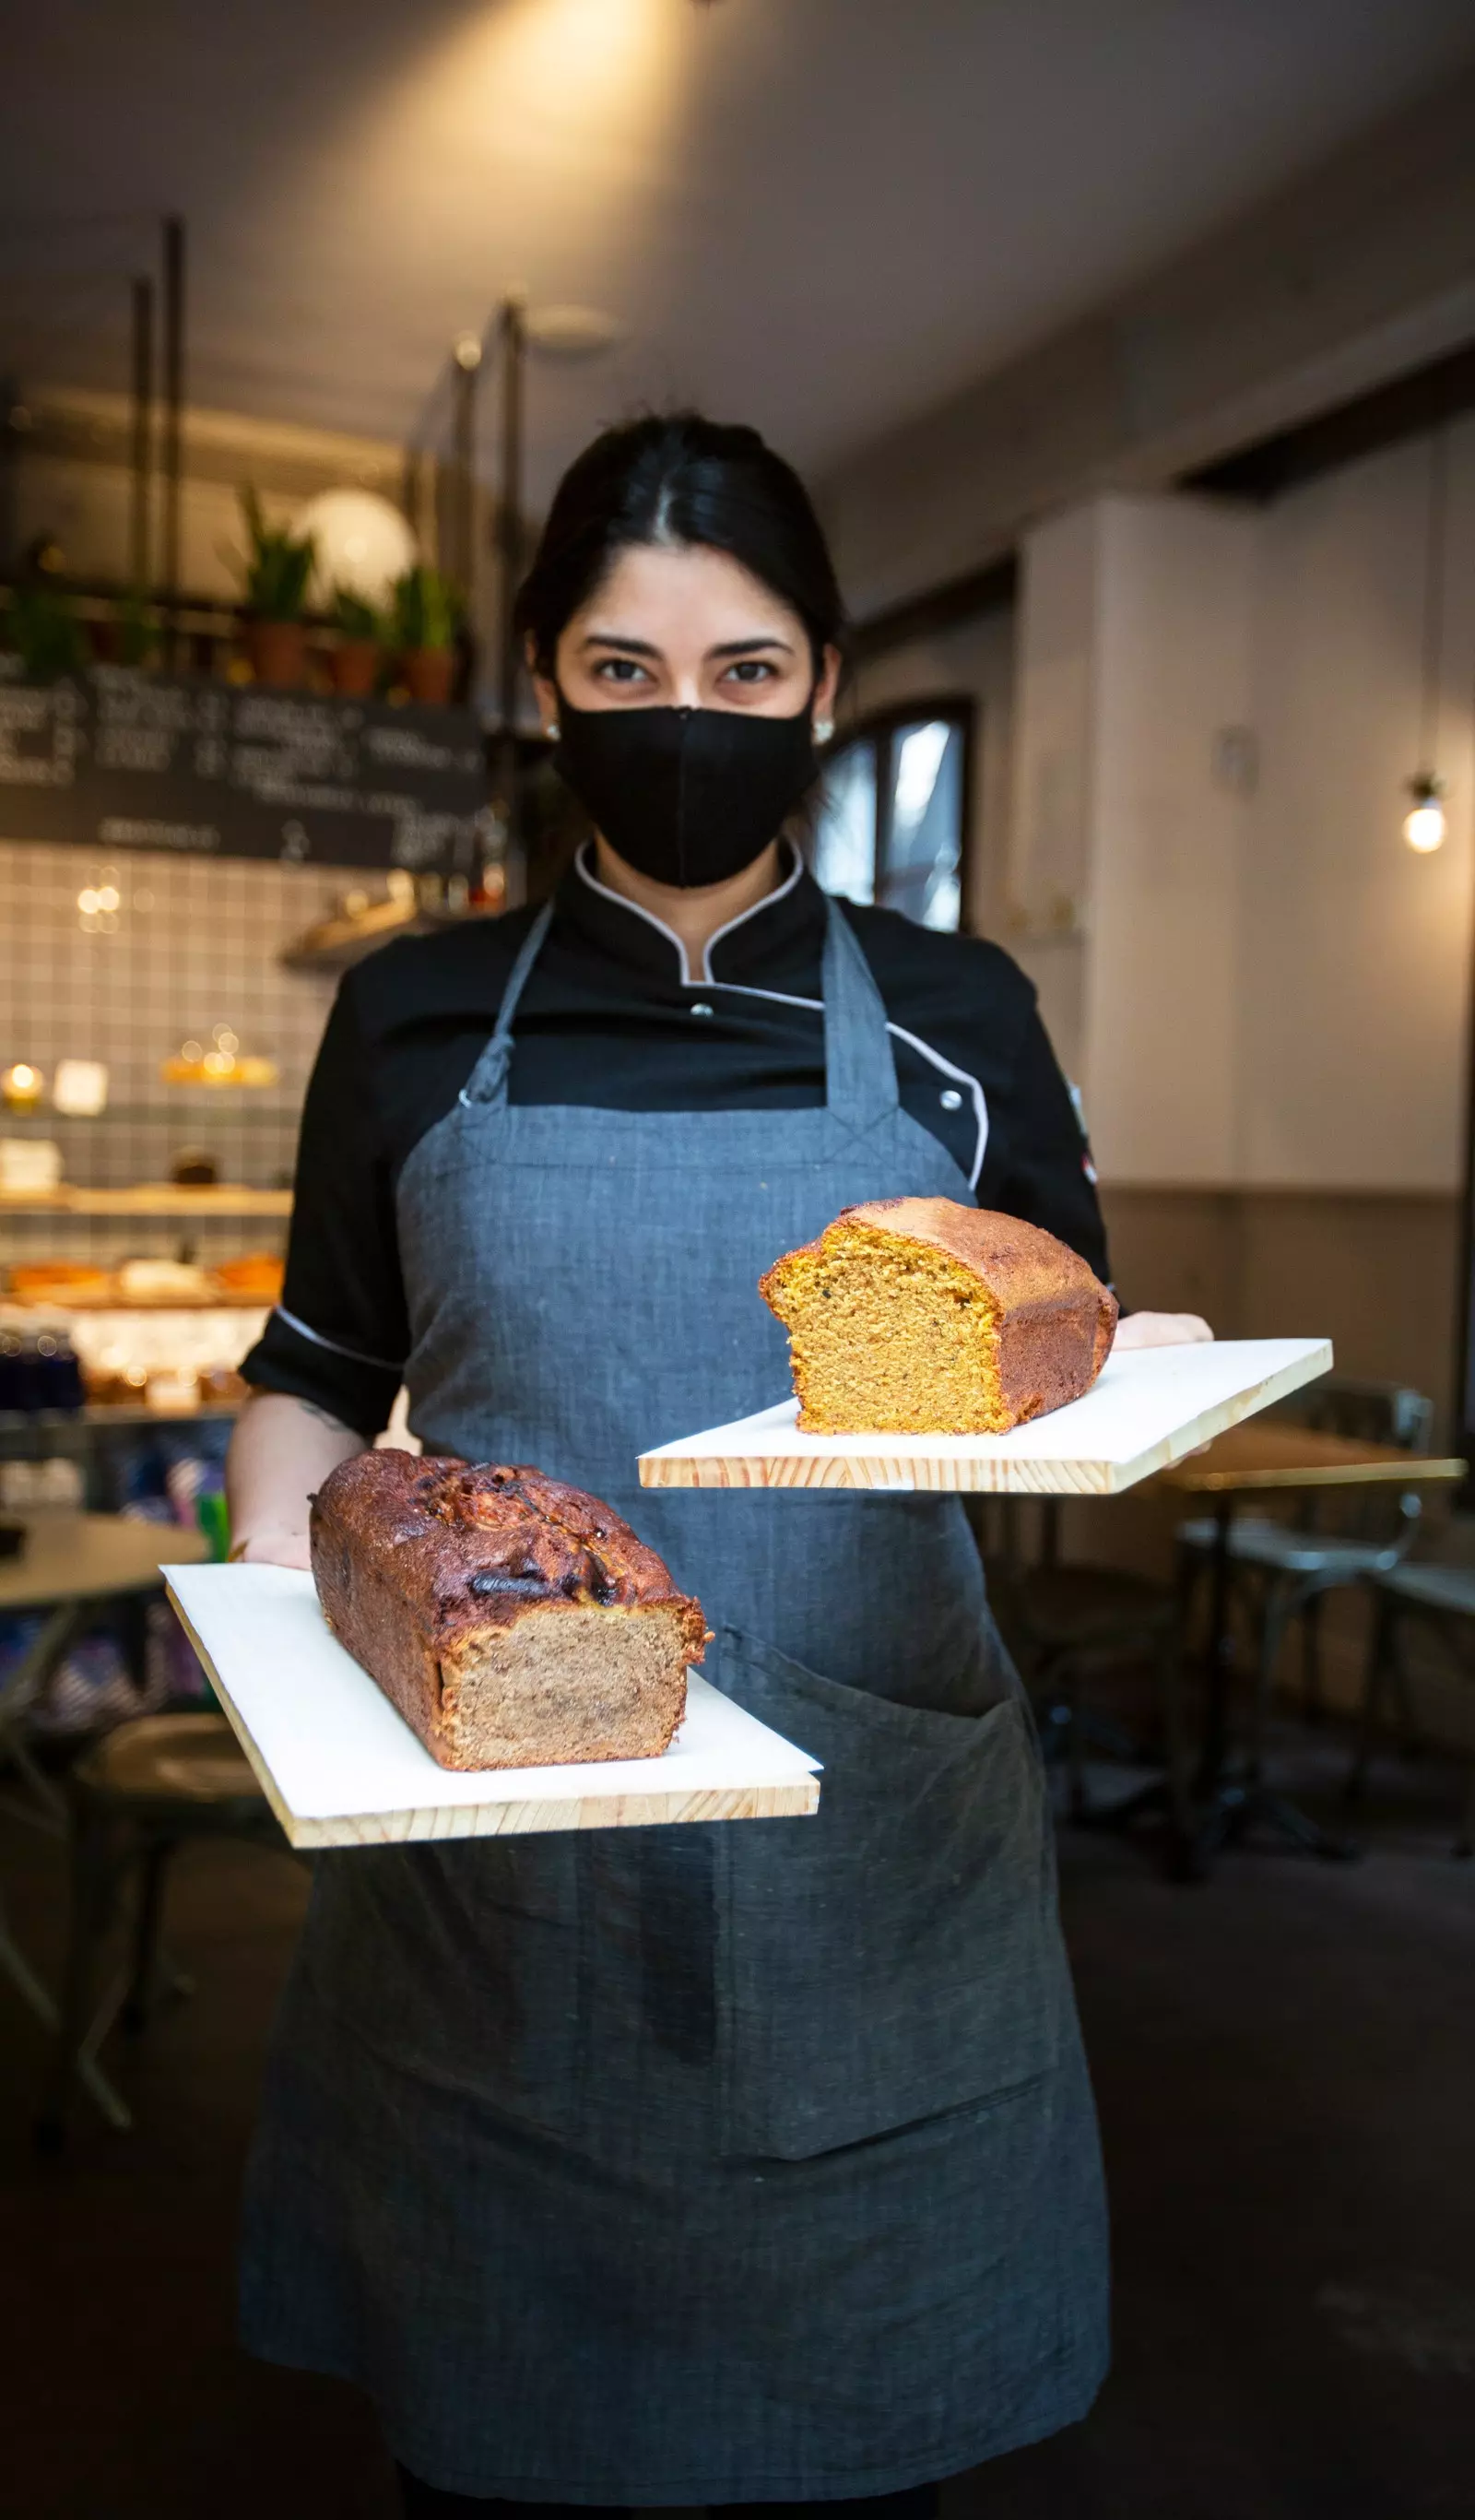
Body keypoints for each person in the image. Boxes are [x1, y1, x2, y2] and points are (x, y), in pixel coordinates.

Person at [228, 412, 1210, 2517]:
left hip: (875, 1847)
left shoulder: (956, 1013)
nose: (688, 720)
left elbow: (1063, 1352)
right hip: (499, 1814)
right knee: (498, 2437)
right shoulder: (410, 1017)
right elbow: (316, 1374)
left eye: (745, 672)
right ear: (540, 682)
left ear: (826, 686)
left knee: (867, 2439)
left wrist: (1157, 1360)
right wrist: (289, 1643)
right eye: (623, 670)